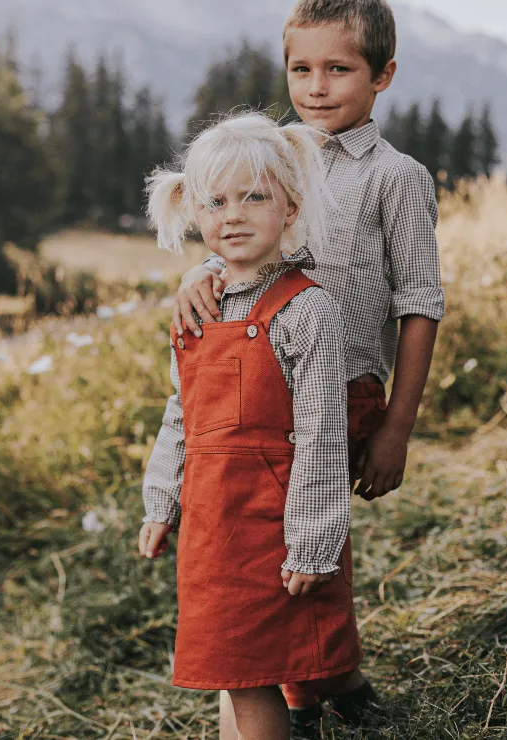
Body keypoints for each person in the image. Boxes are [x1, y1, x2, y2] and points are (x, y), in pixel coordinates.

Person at [173, 0, 445, 737]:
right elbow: (234, 238)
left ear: (382, 76)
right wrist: (195, 282)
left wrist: (396, 427)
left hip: (343, 387)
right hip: (257, 381)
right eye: (301, 70)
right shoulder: (273, 158)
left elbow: (418, 304)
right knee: (269, 539)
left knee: (308, 529)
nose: (317, 88)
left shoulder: (397, 177)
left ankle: (303, 686)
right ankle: (329, 679)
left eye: (340, 70)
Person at [139, 113, 362, 740]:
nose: (232, 215)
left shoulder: (307, 309)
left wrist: (315, 537)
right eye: (216, 201)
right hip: (213, 524)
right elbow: (180, 411)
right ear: (195, 213)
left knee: (255, 671)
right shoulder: (197, 304)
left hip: (274, 518)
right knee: (228, 664)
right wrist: (161, 499)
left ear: (289, 208)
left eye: (253, 197)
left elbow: (322, 431)